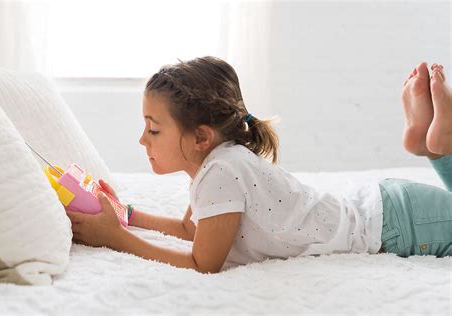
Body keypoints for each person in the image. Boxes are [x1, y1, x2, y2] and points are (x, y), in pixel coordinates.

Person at [66, 57, 451, 274]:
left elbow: (204, 262)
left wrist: (115, 238)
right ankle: (433, 147)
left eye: (153, 129)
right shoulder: (219, 164)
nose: (142, 140)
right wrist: (127, 216)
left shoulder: (221, 172)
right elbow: (190, 229)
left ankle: (440, 146)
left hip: (403, 225)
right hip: (394, 208)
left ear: (201, 137)